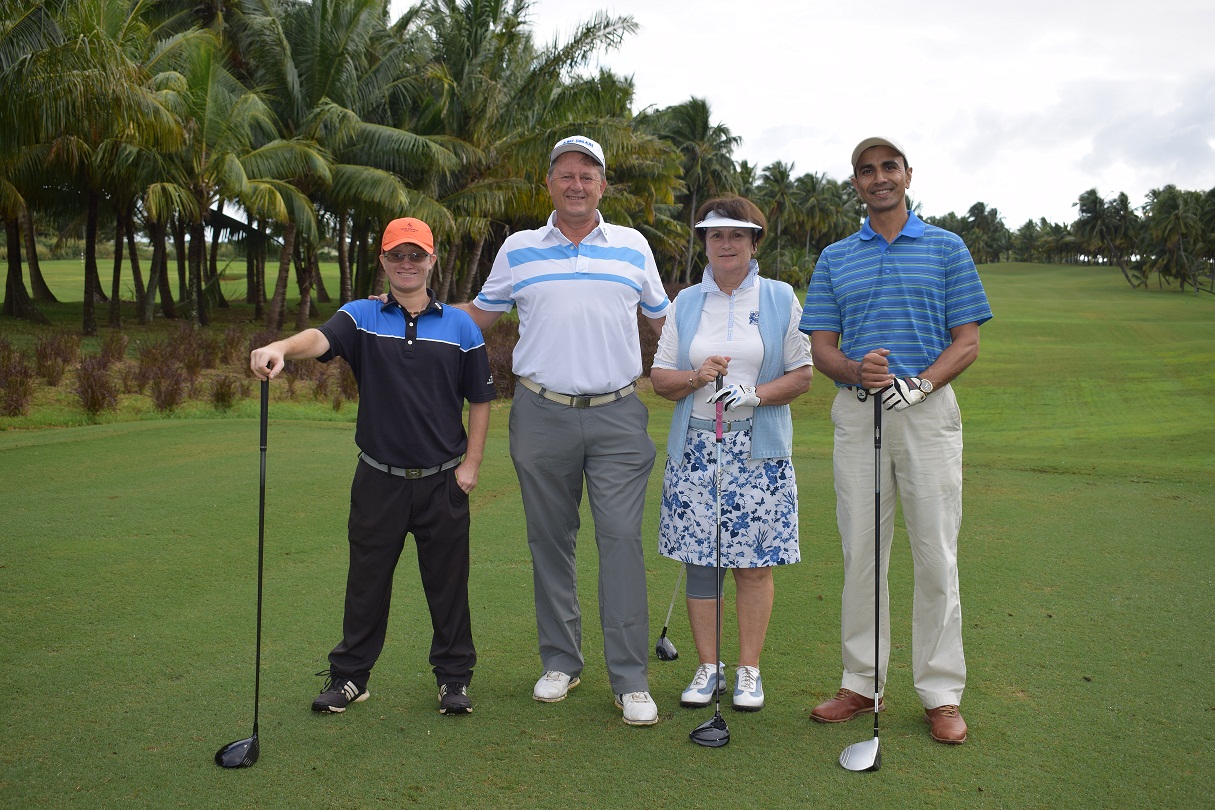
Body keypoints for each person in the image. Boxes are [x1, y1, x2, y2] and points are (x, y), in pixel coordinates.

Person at [249, 217, 495, 717]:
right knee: (367, 581)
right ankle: (350, 677)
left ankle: (453, 680)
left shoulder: (461, 326)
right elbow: (318, 338)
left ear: (432, 261)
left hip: (442, 479)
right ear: (383, 261)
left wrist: (471, 464)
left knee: (448, 585)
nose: (407, 264)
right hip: (378, 478)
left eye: (416, 255)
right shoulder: (361, 316)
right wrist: (279, 348)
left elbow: (481, 399)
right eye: (396, 256)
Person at [462, 135, 669, 725]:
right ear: (549, 184)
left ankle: (629, 678)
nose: (576, 184)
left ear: (603, 185)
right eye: (565, 175)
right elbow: (480, 313)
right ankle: (561, 661)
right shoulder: (519, 248)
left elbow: (664, 319)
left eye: (588, 175)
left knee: (621, 540)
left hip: (619, 414)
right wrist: (412, 312)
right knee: (549, 542)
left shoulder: (632, 247)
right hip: (540, 413)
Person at [799, 137, 992, 744]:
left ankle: (940, 691)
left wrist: (922, 383)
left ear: (908, 175)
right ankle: (862, 682)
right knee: (862, 551)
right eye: (866, 171)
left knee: (935, 552)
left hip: (926, 415)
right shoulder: (835, 257)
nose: (878, 178)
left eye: (888, 167)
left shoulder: (946, 247)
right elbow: (822, 347)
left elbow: (966, 340)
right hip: (859, 415)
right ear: (855, 184)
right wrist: (857, 370)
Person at [650, 196, 812, 713]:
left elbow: (802, 374)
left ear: (754, 242)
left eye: (737, 235)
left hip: (756, 449)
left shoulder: (781, 298)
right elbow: (659, 379)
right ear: (704, 242)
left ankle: (748, 671)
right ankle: (708, 666)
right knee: (701, 563)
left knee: (754, 566)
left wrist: (754, 395)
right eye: (716, 235)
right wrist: (696, 377)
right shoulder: (685, 304)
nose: (726, 244)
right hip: (697, 445)